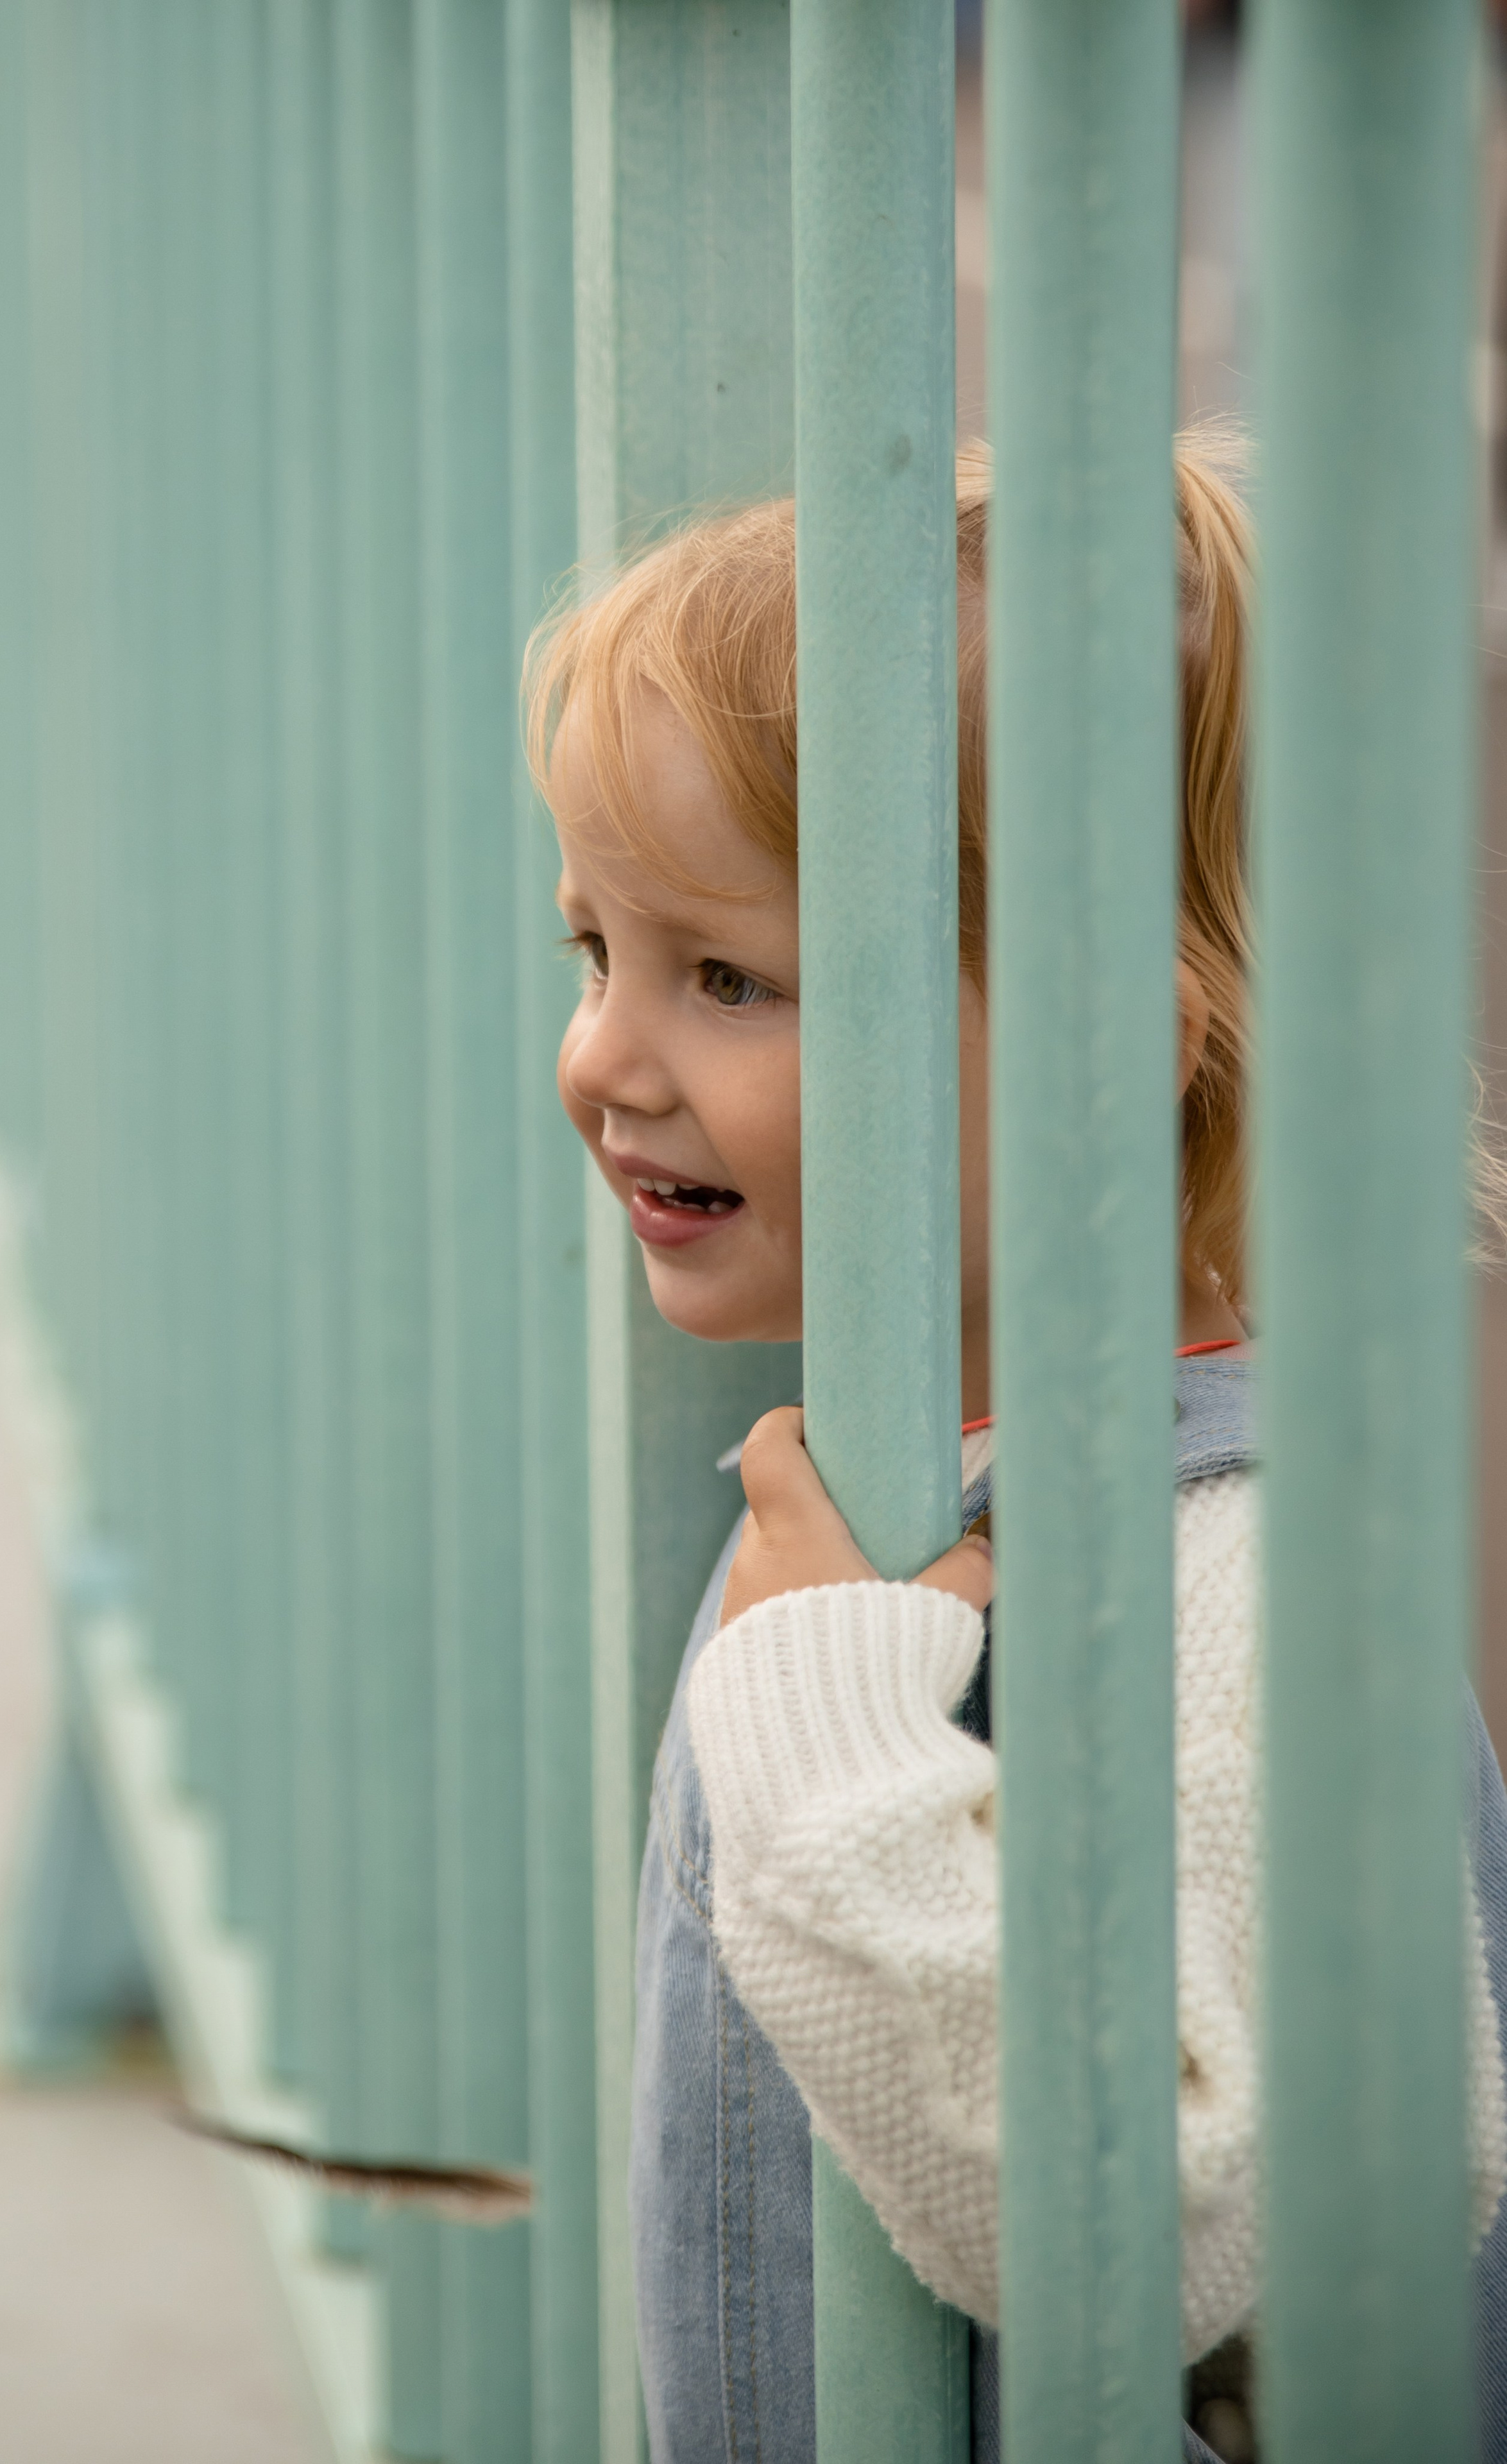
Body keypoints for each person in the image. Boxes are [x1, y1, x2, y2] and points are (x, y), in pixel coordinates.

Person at [525, 438, 1507, 2463]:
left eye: (729, 978)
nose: (607, 1058)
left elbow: (1173, 2230)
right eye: (594, 952)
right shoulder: (951, 1467)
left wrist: (824, 1737)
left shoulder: (1223, 1584)